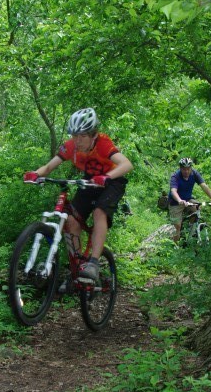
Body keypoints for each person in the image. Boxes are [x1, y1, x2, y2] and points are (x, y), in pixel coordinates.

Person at [23, 107, 133, 282]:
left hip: (113, 181)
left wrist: (106, 177)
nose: (78, 140)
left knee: (99, 212)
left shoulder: (103, 144)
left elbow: (126, 164)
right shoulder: (70, 147)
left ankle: (94, 263)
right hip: (90, 181)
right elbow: (50, 166)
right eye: (75, 135)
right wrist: (36, 174)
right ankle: (78, 263)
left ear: (93, 134)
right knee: (71, 219)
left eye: (83, 136)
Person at [168, 157, 211, 242]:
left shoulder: (194, 174)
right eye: (184, 169)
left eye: (188, 169)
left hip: (188, 200)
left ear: (191, 168)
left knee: (197, 208)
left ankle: (192, 230)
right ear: (180, 168)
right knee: (177, 227)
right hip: (175, 202)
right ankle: (175, 246)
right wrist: (180, 200)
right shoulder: (175, 176)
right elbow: (173, 191)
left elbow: (204, 186)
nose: (186, 171)